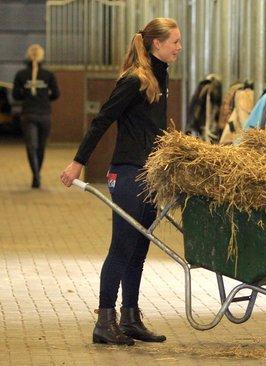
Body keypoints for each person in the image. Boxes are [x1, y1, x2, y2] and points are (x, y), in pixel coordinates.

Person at [59, 18, 182, 346]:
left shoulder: (160, 76)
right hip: (127, 172)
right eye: (175, 41)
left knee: (139, 247)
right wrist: (78, 163)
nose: (179, 47)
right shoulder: (134, 79)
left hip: (148, 174)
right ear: (157, 44)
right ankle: (104, 320)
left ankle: (129, 317)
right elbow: (103, 119)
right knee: (122, 246)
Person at [12, 44, 60, 188]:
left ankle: (36, 176)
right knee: (41, 147)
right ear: (42, 57)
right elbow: (56, 94)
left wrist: (25, 93)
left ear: (28, 56)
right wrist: (45, 98)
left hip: (28, 114)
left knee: (31, 147)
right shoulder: (49, 75)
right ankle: (37, 174)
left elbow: (15, 95)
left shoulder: (20, 75)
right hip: (45, 114)